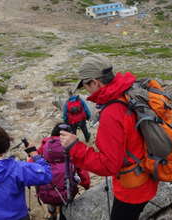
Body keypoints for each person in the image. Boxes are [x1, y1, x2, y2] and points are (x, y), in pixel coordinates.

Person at [60, 54, 158, 220]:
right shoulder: (128, 92)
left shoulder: (112, 112)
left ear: (95, 82)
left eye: (85, 85)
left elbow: (109, 166)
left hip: (133, 187)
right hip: (148, 174)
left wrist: (75, 147)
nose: (86, 90)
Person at [36, 123, 91, 220]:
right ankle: (62, 213)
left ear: (53, 133)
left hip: (47, 192)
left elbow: (34, 163)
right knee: (65, 203)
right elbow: (82, 171)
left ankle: (52, 211)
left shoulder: (44, 145)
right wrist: (86, 185)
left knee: (51, 199)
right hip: (67, 192)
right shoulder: (72, 148)